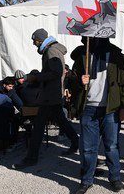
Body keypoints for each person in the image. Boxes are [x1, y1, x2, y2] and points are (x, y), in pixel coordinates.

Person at [69, 37, 124, 194]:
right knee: (88, 149)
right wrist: (80, 82)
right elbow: (72, 81)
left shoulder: (116, 54)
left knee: (112, 146)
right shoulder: (83, 54)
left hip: (111, 108)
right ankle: (86, 181)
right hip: (88, 108)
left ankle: (115, 178)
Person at [14, 29, 80, 168]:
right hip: (52, 95)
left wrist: (35, 77)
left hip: (49, 96)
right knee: (62, 122)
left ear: (40, 40)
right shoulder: (52, 49)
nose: (33, 43)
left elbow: (56, 73)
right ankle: (76, 144)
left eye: (35, 40)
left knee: (38, 127)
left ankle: (31, 158)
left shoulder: (51, 51)